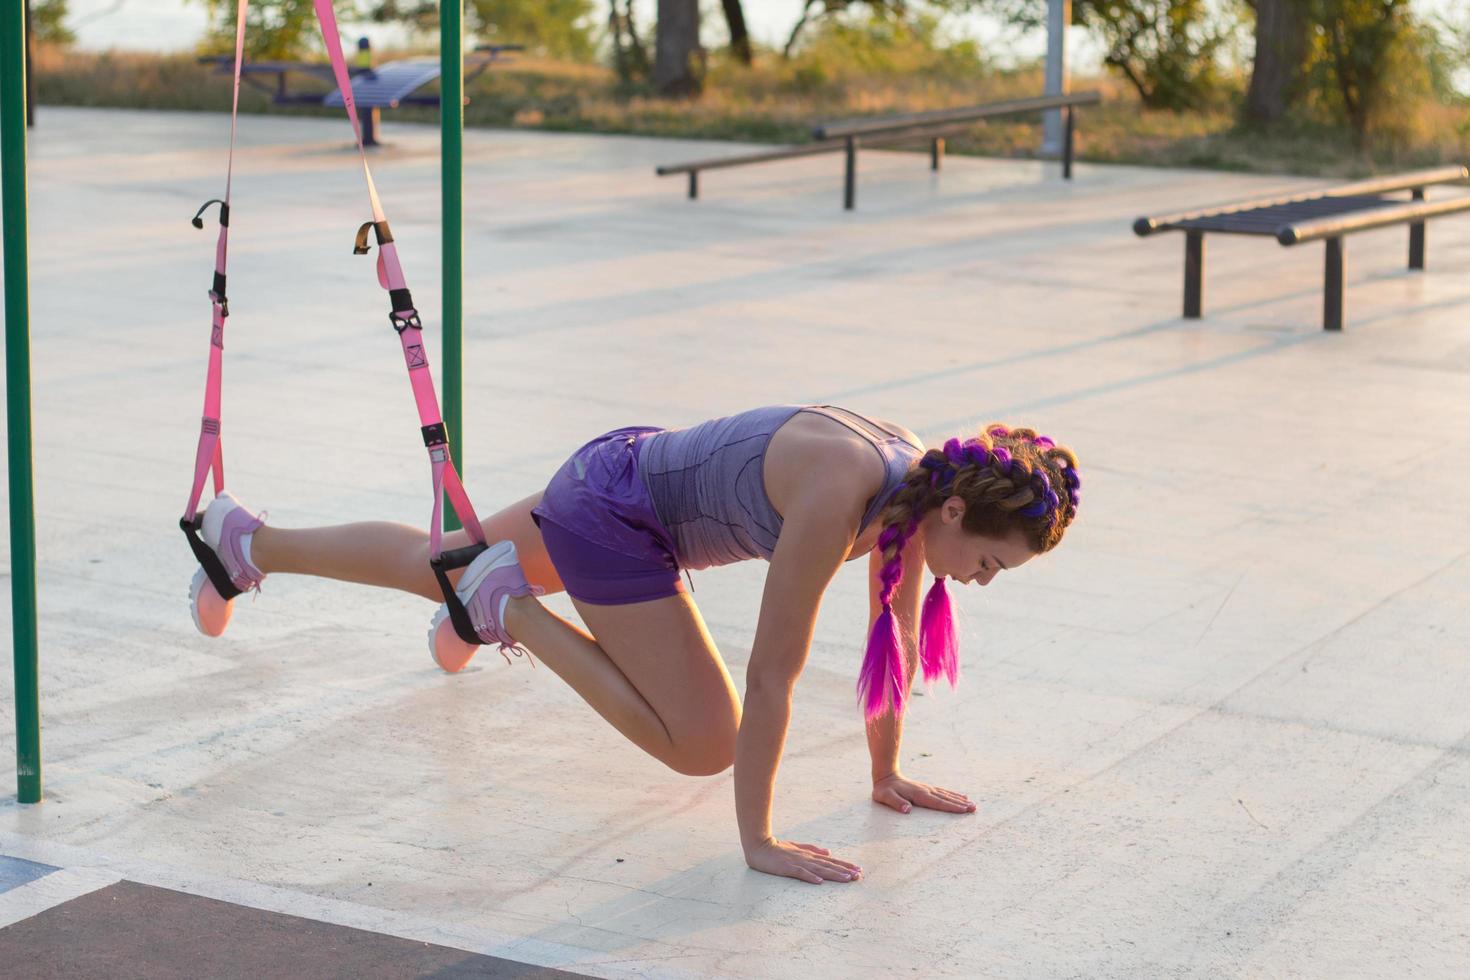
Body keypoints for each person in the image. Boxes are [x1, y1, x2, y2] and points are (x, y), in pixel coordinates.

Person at [187, 404, 1080, 884]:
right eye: (991, 563)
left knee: (439, 564)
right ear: (958, 511)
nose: (983, 581)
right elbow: (773, 676)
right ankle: (510, 608)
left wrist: (884, 774)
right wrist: (758, 838)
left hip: (618, 470)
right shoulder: (844, 487)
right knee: (707, 741)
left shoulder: (917, 493)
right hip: (615, 513)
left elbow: (895, 628)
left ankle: (243, 542)